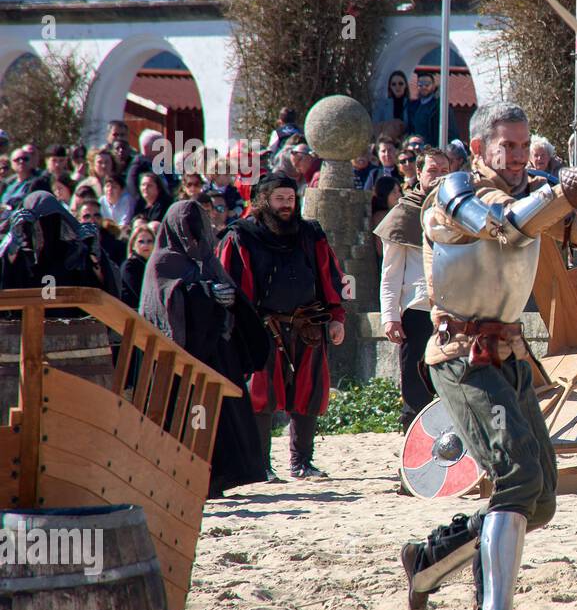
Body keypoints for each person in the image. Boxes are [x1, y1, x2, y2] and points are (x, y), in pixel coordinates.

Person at [398, 101, 577, 610]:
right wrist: (575, 187)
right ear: (480, 149)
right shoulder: (452, 195)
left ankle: (430, 562)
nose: (521, 156)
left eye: (525, 146)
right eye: (509, 146)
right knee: (518, 477)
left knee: (540, 497)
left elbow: (569, 233)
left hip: (510, 356)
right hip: (461, 359)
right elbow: (503, 226)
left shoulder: (529, 191)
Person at [218, 174, 346, 481]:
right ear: (264, 202)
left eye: (290, 199)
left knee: (309, 392)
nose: (287, 205)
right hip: (263, 328)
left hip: (308, 325)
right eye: (280, 199)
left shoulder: (310, 233)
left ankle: (302, 462)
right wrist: (239, 329)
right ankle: (262, 465)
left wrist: (337, 317)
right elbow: (234, 284)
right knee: (262, 395)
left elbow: (329, 276)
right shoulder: (242, 235)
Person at [140, 201, 269, 498]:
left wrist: (228, 299)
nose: (194, 236)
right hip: (182, 357)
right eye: (188, 229)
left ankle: (220, 478)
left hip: (216, 353)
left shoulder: (209, 260)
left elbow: (229, 293)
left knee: (221, 417)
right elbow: (165, 303)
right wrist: (204, 293)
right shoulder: (163, 262)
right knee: (186, 415)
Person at [376, 151, 441, 432]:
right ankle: (416, 434)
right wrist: (390, 317)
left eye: (444, 171)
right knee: (416, 383)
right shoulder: (404, 214)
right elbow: (390, 274)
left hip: (454, 309)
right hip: (418, 309)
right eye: (433, 170)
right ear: (420, 173)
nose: (438, 177)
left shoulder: (459, 210)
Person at [0, 190, 118, 297]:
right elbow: (7, 284)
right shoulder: (18, 255)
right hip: (25, 319)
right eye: (36, 223)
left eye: (49, 221)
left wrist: (94, 254)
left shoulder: (73, 253)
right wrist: (11, 250)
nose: (42, 229)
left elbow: (103, 287)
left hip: (68, 319)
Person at [404, 71, 459, 144]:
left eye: (427, 85)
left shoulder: (440, 106)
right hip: (417, 149)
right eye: (420, 85)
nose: (424, 87)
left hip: (433, 149)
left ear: (433, 86)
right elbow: (409, 129)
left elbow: (451, 132)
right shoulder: (413, 107)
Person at [119, 222, 155, 308]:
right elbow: (140, 294)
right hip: (133, 313)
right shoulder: (130, 265)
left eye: (149, 241)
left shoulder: (154, 264)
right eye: (141, 242)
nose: (145, 245)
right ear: (133, 245)